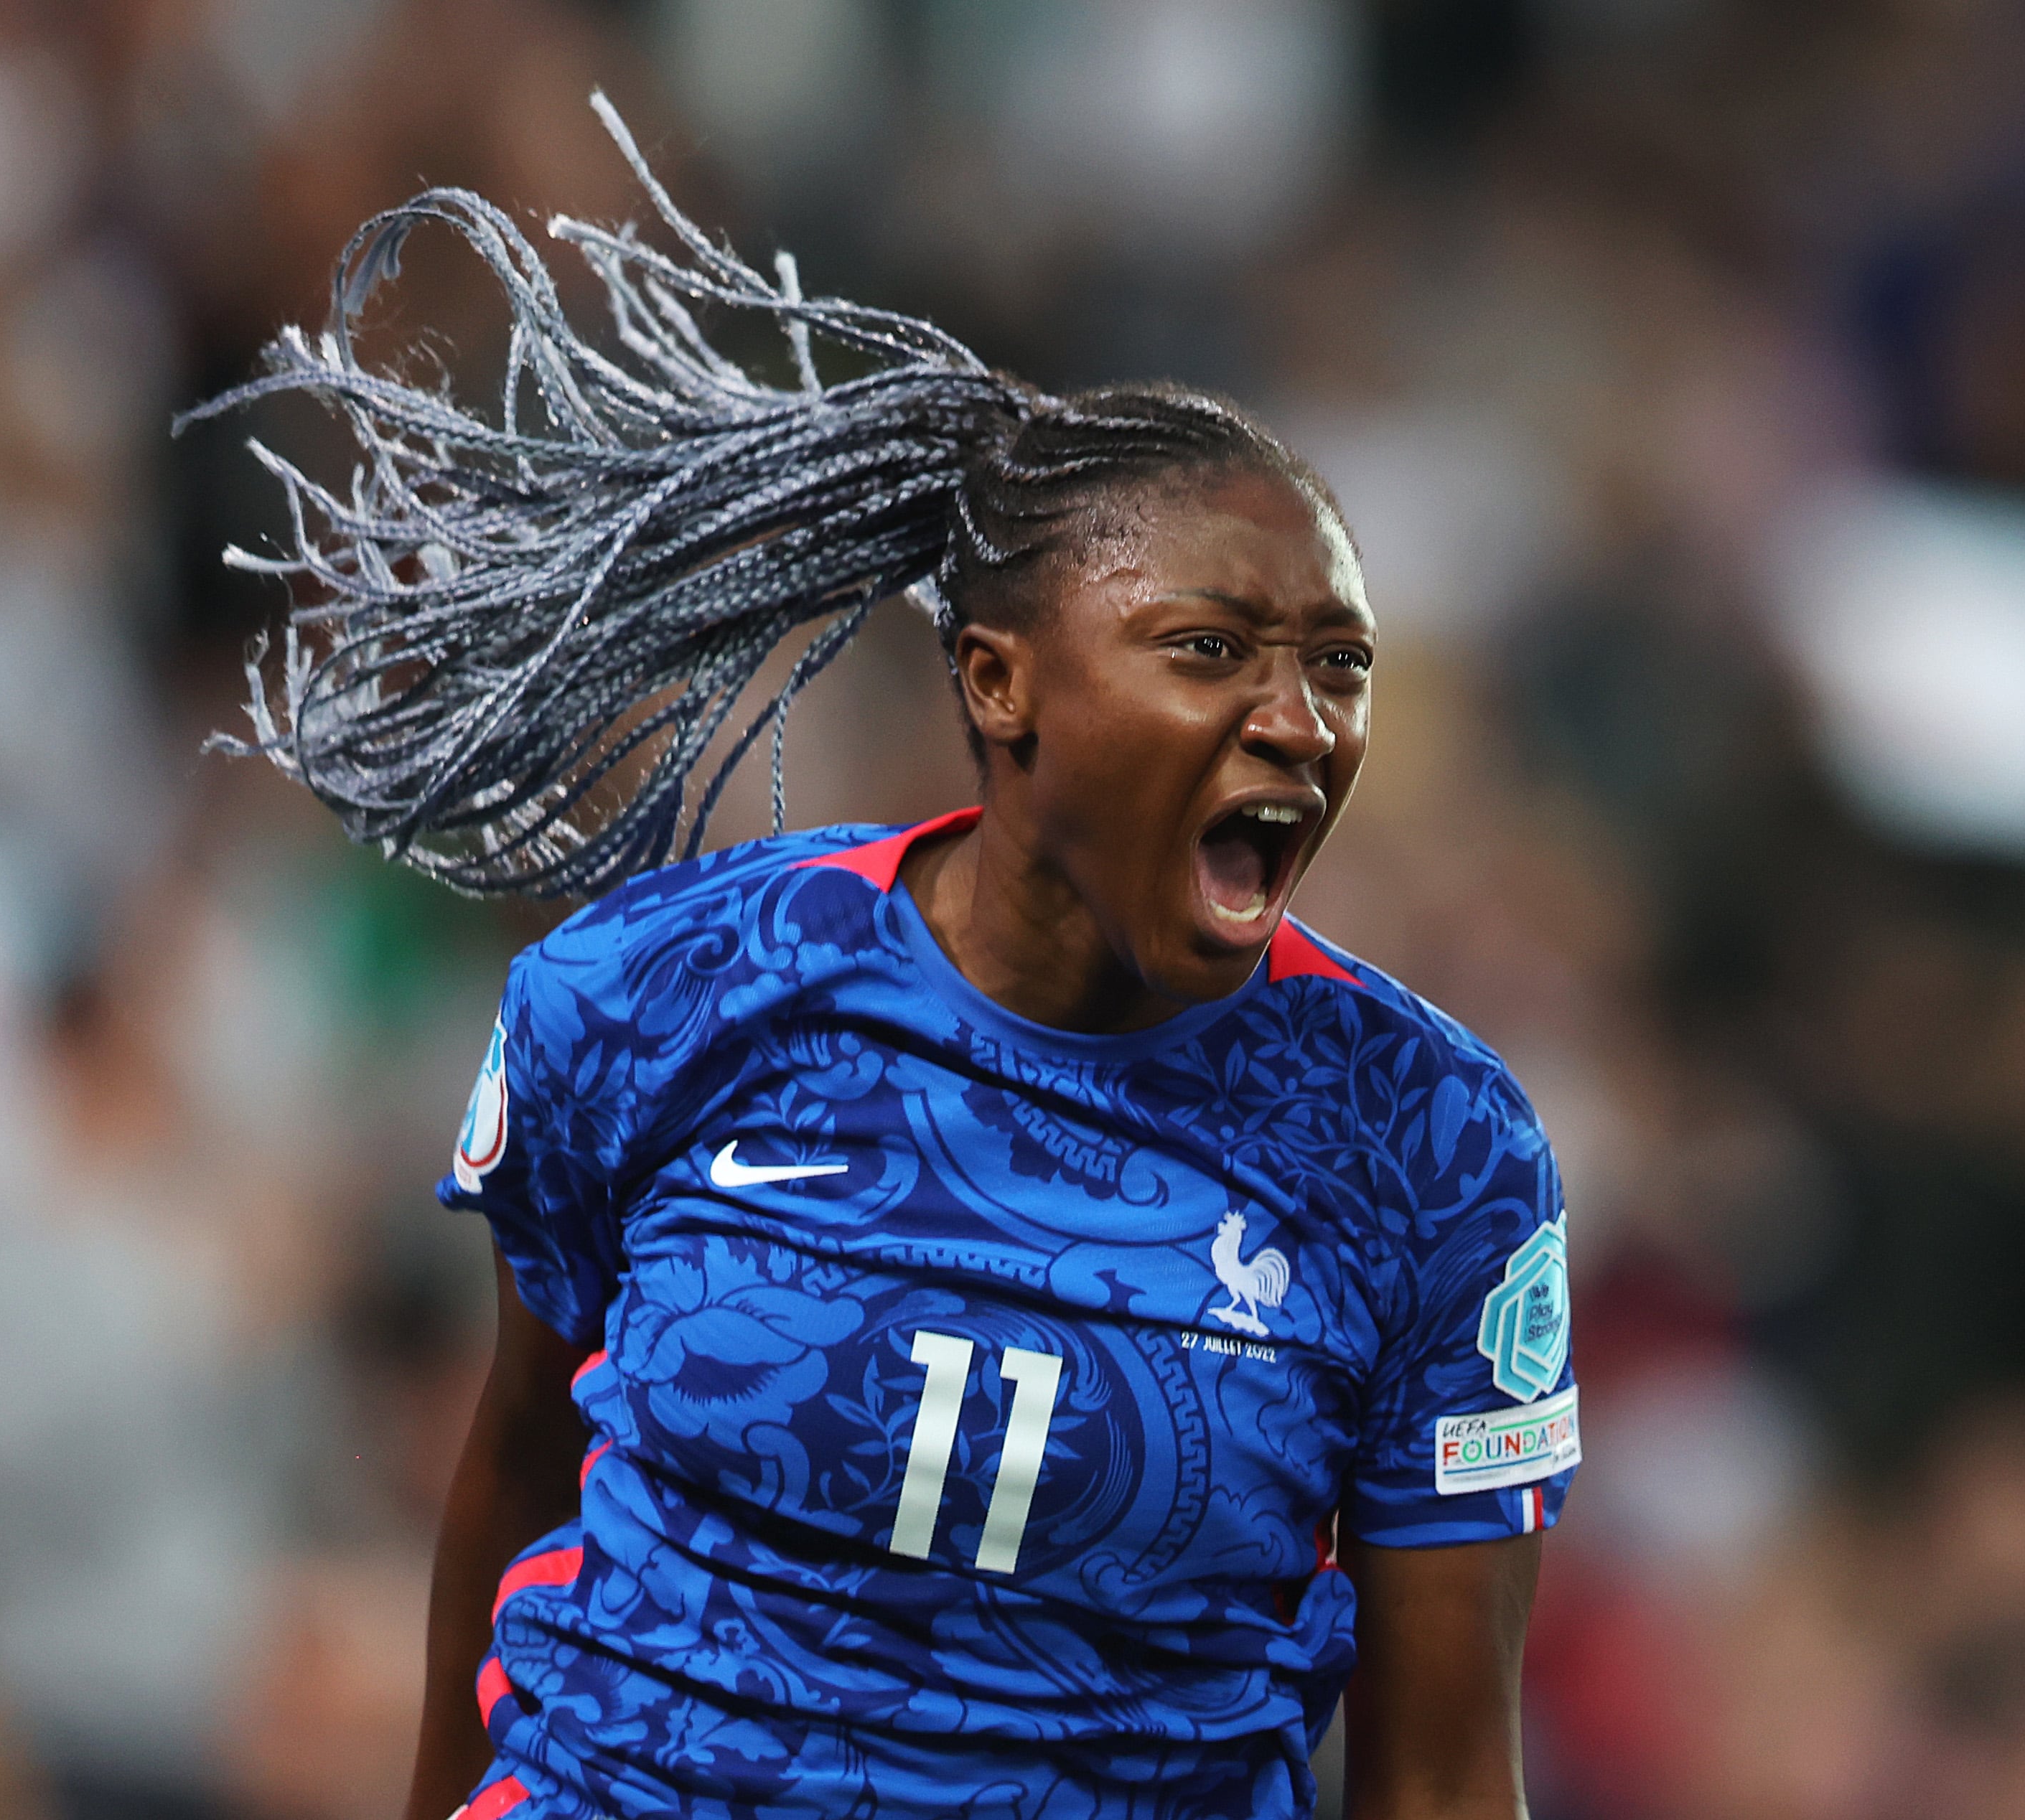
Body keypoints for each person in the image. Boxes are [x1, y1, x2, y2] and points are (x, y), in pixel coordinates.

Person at [193, 95, 1580, 1820]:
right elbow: (521, 1476)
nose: (1300, 719)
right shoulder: (667, 988)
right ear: (1000, 681)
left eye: (1340, 663)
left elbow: (1443, 1776)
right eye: (1211, 648)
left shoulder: (1434, 1148)